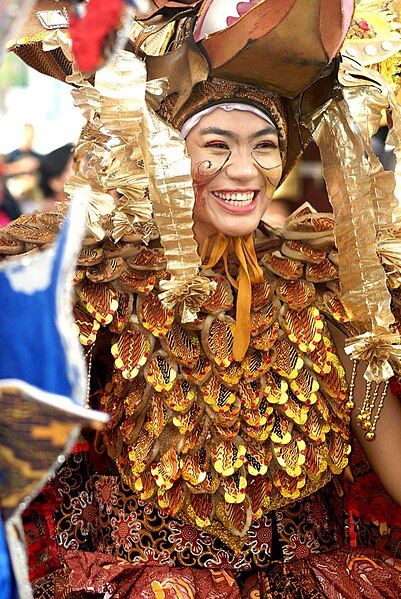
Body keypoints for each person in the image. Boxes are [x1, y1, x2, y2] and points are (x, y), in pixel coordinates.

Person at [4, 0, 401, 597]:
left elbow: (379, 435)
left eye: (264, 145)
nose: (243, 170)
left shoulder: (326, 278)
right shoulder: (100, 276)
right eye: (216, 144)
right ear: (167, 151)